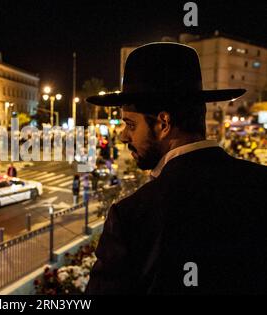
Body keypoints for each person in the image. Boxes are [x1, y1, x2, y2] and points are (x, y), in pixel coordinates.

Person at [85, 42, 267, 294]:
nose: (123, 136)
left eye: (130, 124)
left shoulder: (133, 217)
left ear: (163, 123)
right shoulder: (260, 183)